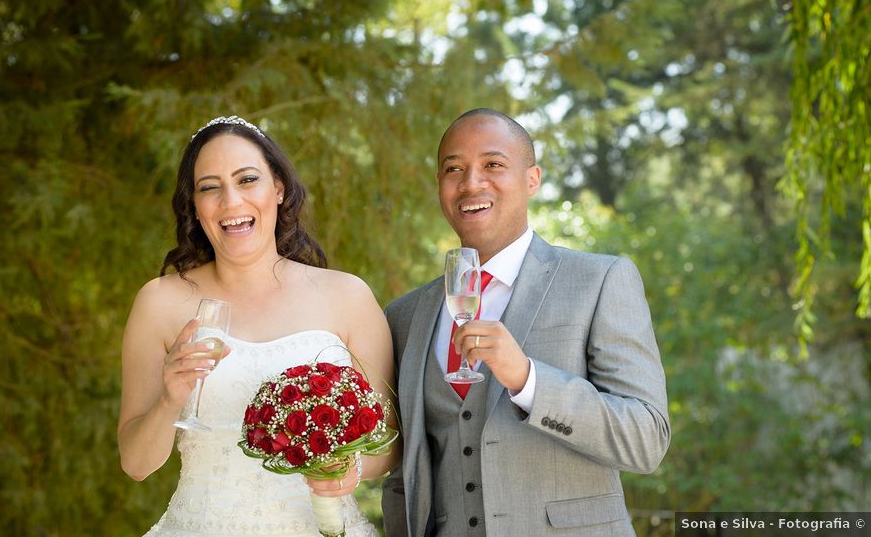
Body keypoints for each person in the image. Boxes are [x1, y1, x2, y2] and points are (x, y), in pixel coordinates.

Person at [381, 108, 670, 537]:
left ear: (532, 179)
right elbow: (405, 472)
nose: (471, 183)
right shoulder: (404, 316)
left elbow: (646, 440)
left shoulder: (600, 280)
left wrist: (529, 381)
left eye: (493, 165)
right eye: (453, 169)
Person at [118, 116, 397, 536]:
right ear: (194, 204)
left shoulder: (348, 296)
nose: (231, 202)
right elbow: (136, 464)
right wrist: (169, 399)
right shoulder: (159, 302)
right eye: (210, 187)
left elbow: (390, 440)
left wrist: (347, 469)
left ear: (279, 188)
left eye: (247, 179)